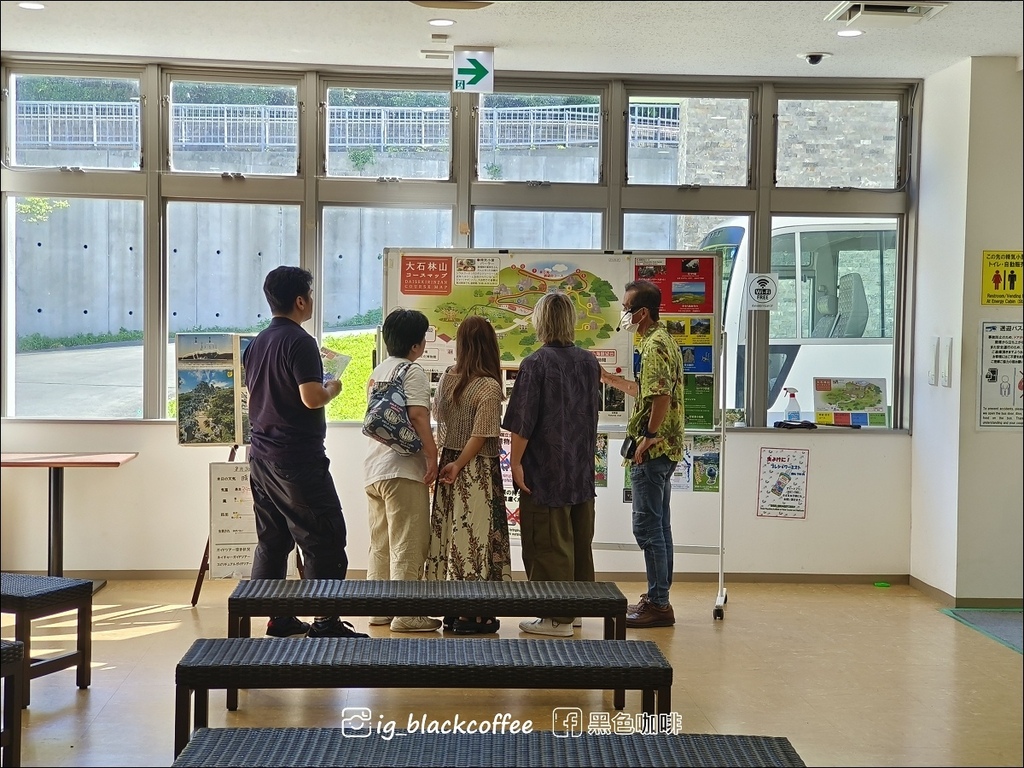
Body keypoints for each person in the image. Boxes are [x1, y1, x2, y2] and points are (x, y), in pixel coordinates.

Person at [243, 265, 367, 639]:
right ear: (300, 300)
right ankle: (326, 621)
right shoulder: (300, 341)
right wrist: (334, 387)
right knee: (324, 536)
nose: (311, 301)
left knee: (273, 539)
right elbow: (311, 398)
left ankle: (276, 617)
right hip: (296, 458)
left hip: (261, 455)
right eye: (309, 295)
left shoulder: (257, 343)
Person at [501, 291, 601, 637]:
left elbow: (522, 423)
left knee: (548, 542)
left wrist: (515, 463)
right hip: (581, 468)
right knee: (578, 540)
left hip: (546, 468)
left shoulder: (535, 364)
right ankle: (574, 611)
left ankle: (554, 618)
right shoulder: (589, 362)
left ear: (540, 321)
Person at [601, 279, 684, 629]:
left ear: (643, 312)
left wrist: (648, 437)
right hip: (666, 450)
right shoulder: (663, 342)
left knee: (648, 529)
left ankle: (659, 604)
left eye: (626, 308)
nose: (623, 314)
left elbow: (661, 398)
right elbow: (647, 392)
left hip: (654, 451)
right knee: (660, 528)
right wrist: (609, 379)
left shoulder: (654, 346)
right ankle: (657, 597)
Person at [426, 315, 512, 634]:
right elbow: (482, 434)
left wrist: (449, 461)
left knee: (451, 535)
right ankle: (474, 613)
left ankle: (451, 607)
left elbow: (440, 417)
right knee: (475, 537)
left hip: (449, 461)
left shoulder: (450, 376)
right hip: (474, 469)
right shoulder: (488, 385)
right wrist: (461, 464)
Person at [364, 308, 442, 633]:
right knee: (408, 539)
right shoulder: (412, 371)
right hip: (403, 469)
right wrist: (432, 455)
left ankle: (379, 609)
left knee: (380, 541)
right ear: (416, 345)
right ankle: (407, 613)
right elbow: (419, 417)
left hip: (373, 469)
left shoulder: (378, 370)